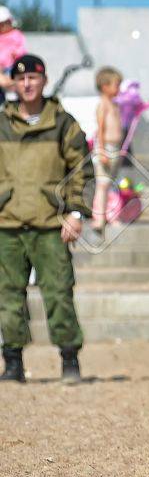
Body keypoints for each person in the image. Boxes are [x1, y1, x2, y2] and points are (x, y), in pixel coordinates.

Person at [0, 54, 90, 384]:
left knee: (58, 294)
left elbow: (81, 171)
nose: (27, 84)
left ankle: (69, 360)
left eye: (33, 78)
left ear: (44, 80)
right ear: (12, 82)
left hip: (52, 224)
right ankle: (12, 362)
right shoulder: (2, 124)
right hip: (7, 224)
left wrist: (76, 212)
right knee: (7, 296)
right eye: (20, 79)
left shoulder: (64, 124)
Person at [91, 67, 124, 235]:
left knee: (110, 184)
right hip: (105, 148)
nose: (119, 89)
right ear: (104, 86)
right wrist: (102, 151)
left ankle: (111, 215)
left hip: (115, 148)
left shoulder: (115, 104)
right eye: (116, 85)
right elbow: (100, 129)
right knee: (102, 184)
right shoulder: (103, 105)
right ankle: (99, 218)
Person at [0, 6, 27, 93]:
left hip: (12, 65)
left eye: (4, 24)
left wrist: (17, 53)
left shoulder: (16, 35)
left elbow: (21, 48)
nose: (2, 27)